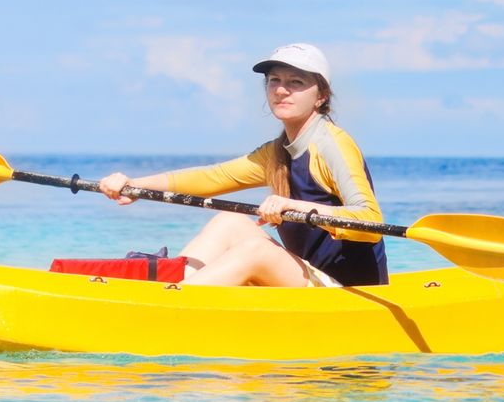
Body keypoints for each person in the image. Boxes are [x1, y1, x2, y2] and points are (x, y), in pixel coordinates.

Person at [97, 43, 389, 288]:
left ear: (321, 96)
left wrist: (294, 207)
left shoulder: (332, 145)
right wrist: (135, 185)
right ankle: (173, 289)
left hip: (348, 292)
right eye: (275, 80)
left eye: (296, 82)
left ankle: (168, 306)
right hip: (308, 278)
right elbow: (212, 178)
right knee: (229, 222)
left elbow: (371, 222)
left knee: (257, 250)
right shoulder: (276, 153)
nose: (281, 90)